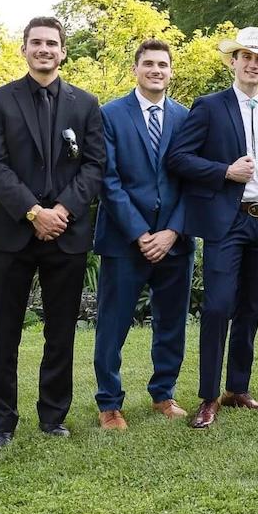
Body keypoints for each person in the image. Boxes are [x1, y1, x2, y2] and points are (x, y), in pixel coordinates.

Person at [0, 17, 106, 447]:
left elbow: (94, 166)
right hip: (12, 232)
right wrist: (34, 212)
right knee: (4, 331)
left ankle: (53, 417)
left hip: (65, 234)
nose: (44, 49)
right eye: (36, 42)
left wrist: (62, 210)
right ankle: (3, 423)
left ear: (64, 51)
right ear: (24, 49)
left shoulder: (86, 104)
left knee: (61, 331)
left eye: (52, 43)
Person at [167, 27, 258, 428]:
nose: (253, 64)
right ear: (233, 62)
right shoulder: (208, 106)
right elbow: (178, 158)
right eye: (246, 57)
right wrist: (225, 171)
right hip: (227, 221)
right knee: (219, 306)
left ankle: (238, 389)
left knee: (250, 308)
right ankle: (208, 397)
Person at [91, 39, 192, 430]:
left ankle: (163, 394)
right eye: (149, 64)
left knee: (172, 323)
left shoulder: (186, 118)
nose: (156, 70)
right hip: (124, 240)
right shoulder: (110, 114)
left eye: (163, 65)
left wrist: (171, 231)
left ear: (170, 71)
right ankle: (109, 403)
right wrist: (139, 233)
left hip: (174, 241)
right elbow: (108, 180)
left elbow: (191, 183)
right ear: (136, 68)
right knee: (112, 325)